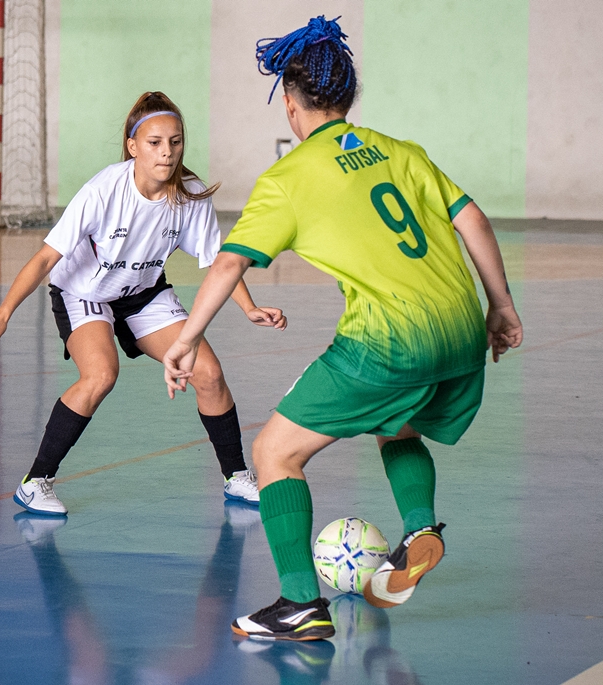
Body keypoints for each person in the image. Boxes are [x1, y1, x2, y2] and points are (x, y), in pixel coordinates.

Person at [163, 16, 523, 640]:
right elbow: (476, 222)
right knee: (398, 421)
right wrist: (502, 306)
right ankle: (420, 528)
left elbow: (228, 261)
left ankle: (300, 603)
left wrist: (187, 337)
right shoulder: (404, 153)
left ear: (293, 107)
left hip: (389, 340)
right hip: (462, 328)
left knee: (275, 453)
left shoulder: (290, 177)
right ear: (349, 99)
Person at [0, 91, 286, 516]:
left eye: (175, 142)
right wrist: (3, 311)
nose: (167, 152)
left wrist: (248, 307)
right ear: (133, 146)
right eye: (155, 142)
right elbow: (47, 256)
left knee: (209, 374)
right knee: (101, 374)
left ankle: (236, 478)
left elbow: (220, 261)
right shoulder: (104, 190)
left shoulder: (190, 195)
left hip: (143, 292)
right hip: (83, 293)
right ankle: (36, 482)